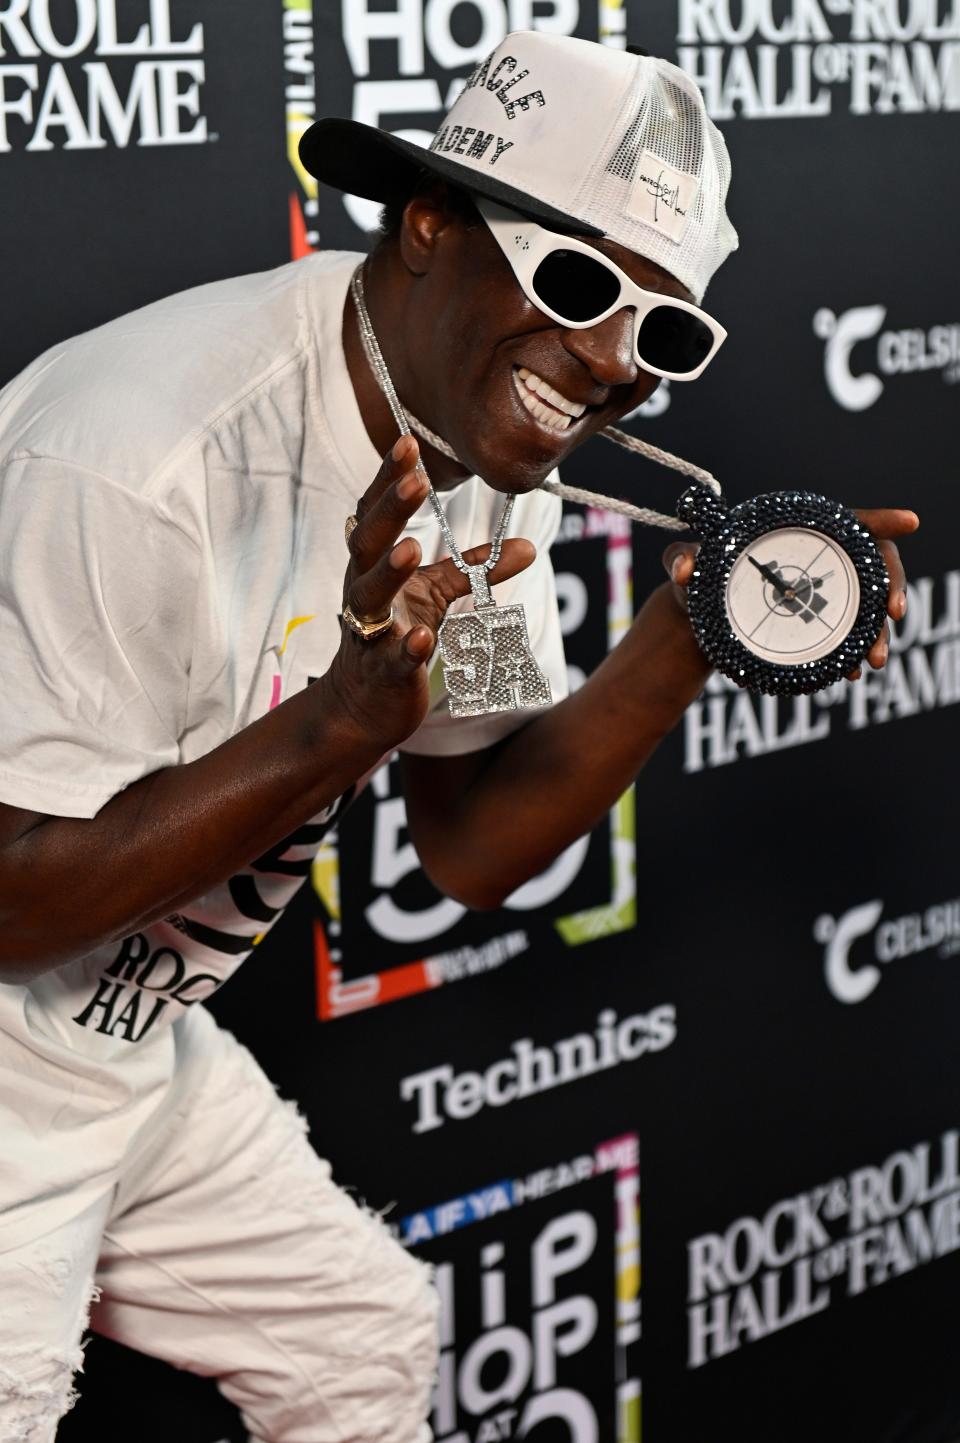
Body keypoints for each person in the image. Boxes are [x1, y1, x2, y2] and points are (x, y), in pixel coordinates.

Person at [0, 29, 915, 1443]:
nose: (613, 361)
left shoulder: (491, 449)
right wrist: (342, 724)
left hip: (122, 1036)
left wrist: (686, 634)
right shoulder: (132, 455)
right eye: (579, 283)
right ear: (430, 221)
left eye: (662, 331)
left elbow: (475, 842)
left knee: (362, 1345)